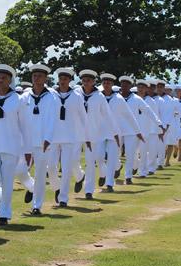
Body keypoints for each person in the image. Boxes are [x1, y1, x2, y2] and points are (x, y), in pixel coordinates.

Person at [0, 64, 25, 225]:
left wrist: (26, 148)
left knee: (8, 181)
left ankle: (4, 214)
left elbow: (25, 125)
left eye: (4, 78)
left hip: (11, 145)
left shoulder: (19, 99)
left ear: (10, 81)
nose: (0, 81)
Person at [20, 64, 57, 215]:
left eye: (40, 76)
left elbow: (53, 119)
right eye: (34, 75)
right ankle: (31, 187)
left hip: (43, 141)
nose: (36, 78)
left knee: (41, 173)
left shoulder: (51, 96)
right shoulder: (24, 96)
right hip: (26, 141)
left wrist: (48, 138)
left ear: (45, 78)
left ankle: (37, 205)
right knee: (20, 171)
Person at [47, 68, 87, 207]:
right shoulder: (51, 94)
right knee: (51, 167)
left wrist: (86, 136)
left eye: (65, 79)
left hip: (70, 137)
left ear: (70, 80)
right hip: (53, 136)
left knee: (66, 168)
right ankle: (56, 188)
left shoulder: (76, 96)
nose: (63, 81)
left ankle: (63, 198)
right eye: (61, 78)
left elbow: (83, 117)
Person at [78, 70, 119, 197]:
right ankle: (79, 176)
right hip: (75, 133)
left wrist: (115, 132)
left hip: (92, 135)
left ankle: (88, 191)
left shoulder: (99, 96)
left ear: (94, 82)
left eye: (89, 80)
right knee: (73, 162)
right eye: (84, 80)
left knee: (90, 163)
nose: (86, 83)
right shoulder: (76, 93)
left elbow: (108, 115)